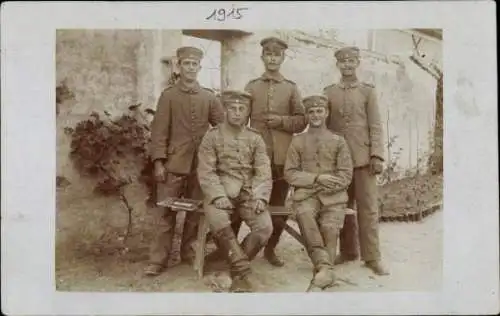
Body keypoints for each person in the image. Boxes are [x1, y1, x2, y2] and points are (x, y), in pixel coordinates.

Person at [218, 36, 306, 267]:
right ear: (263, 57)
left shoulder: (291, 88)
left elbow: (301, 121)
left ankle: (270, 249)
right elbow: (238, 120)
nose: (273, 59)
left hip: (281, 159)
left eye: (277, 55)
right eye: (269, 54)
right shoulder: (252, 86)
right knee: (240, 202)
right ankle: (232, 250)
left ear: (283, 58)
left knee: (278, 208)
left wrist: (280, 121)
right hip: (252, 159)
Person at [145, 46, 224, 276]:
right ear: (179, 66)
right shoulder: (168, 96)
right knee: (164, 214)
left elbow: (221, 128)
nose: (190, 68)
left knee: (195, 213)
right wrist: (159, 162)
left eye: (194, 64)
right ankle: (157, 260)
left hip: (200, 167)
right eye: (186, 64)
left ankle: (189, 252)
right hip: (172, 164)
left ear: (199, 68)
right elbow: (158, 132)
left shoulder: (208, 97)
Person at [197, 90, 273, 292]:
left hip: (248, 193)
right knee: (220, 222)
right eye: (233, 108)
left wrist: (260, 197)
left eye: (242, 109)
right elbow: (206, 171)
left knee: (265, 227)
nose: (237, 113)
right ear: (225, 110)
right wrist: (218, 195)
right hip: (220, 193)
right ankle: (243, 273)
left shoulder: (255, 138)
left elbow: (263, 170)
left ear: (247, 112)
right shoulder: (212, 137)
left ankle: (232, 268)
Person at [323, 46, 389, 275]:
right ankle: (349, 251)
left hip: (363, 161)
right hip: (338, 162)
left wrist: (376, 155)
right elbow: (325, 128)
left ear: (357, 63)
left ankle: (373, 257)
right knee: (340, 206)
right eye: (343, 62)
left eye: (351, 61)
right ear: (338, 65)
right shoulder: (329, 92)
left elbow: (375, 125)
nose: (347, 65)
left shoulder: (367, 92)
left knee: (368, 209)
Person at [284, 94, 353, 291]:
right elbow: (290, 173)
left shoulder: (338, 141)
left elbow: (345, 175)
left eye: (319, 111)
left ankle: (323, 272)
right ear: (306, 115)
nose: (315, 115)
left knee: (331, 229)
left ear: (327, 113)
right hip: (306, 198)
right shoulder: (297, 141)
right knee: (304, 215)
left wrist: (320, 185)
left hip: (334, 198)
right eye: (311, 112)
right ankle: (325, 270)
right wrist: (317, 178)